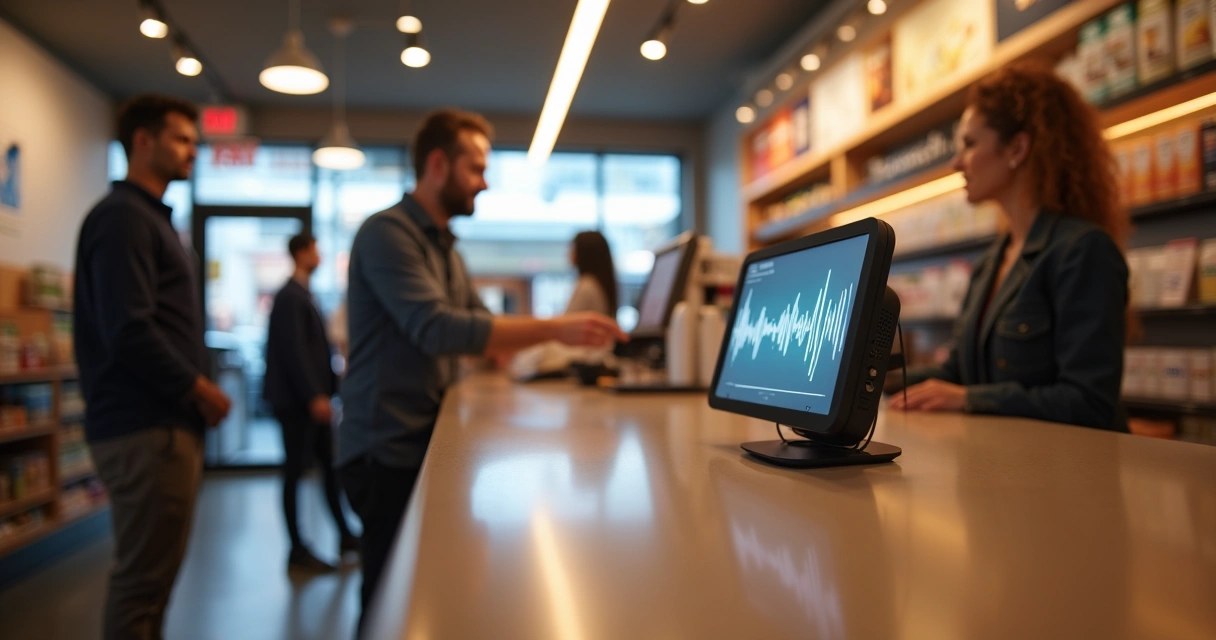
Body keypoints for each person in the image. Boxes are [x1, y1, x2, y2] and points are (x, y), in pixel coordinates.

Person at [337, 109, 627, 637]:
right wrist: (554, 330)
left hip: (416, 439)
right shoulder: (388, 233)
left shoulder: (445, 247)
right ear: (437, 165)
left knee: (419, 592)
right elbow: (437, 328)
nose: (484, 182)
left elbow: (480, 324)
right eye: (475, 168)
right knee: (387, 599)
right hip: (384, 448)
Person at [890, 61, 1130, 432]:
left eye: (970, 144)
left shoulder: (1082, 251)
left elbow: (1089, 402)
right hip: (1004, 461)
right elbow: (956, 372)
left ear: (1017, 148)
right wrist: (869, 378)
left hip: (1069, 466)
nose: (956, 163)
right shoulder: (990, 262)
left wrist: (970, 399)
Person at [73, 94, 231, 639]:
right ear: (143, 141)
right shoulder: (123, 218)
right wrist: (199, 388)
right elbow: (129, 328)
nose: (193, 151)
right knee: (142, 585)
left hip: (160, 425)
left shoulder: (148, 219)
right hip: (147, 427)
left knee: (152, 583)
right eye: (181, 139)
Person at [263, 232, 358, 573]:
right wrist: (314, 395)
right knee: (294, 472)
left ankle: (345, 535)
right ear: (301, 253)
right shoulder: (291, 296)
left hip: (311, 401)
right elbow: (295, 352)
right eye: (315, 250)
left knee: (329, 469)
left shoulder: (303, 294)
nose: (319, 256)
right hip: (298, 404)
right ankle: (297, 549)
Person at [566, 230, 619, 317]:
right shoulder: (597, 283)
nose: (569, 253)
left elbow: (568, 320)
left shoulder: (587, 285)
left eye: (573, 249)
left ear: (584, 252)